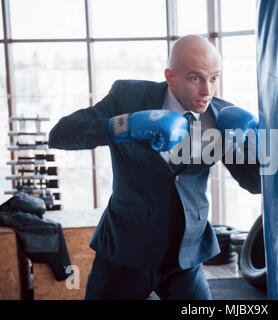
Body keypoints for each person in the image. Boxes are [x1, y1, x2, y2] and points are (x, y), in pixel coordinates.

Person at [48, 34, 261, 300]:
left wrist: (255, 144)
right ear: (170, 77)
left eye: (214, 78)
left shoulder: (222, 117)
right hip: (125, 252)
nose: (207, 90)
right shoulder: (128, 97)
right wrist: (126, 125)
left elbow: (255, 184)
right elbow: (60, 134)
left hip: (185, 257)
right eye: (195, 78)